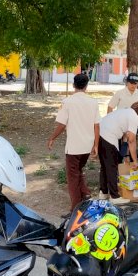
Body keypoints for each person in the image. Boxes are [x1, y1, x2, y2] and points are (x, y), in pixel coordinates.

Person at [47, 73, 100, 210]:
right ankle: (86, 194)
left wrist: (52, 138)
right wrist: (96, 145)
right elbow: (97, 125)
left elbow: (62, 124)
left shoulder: (67, 102)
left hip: (73, 147)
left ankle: (75, 208)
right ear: (86, 86)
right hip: (87, 145)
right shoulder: (94, 102)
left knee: (72, 177)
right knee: (78, 170)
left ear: (73, 85)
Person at [98, 100, 138, 204]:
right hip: (109, 136)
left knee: (105, 166)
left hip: (100, 134)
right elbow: (132, 141)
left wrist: (126, 156)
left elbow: (125, 138)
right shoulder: (134, 118)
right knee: (112, 167)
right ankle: (114, 196)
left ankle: (103, 192)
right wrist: (135, 161)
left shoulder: (126, 111)